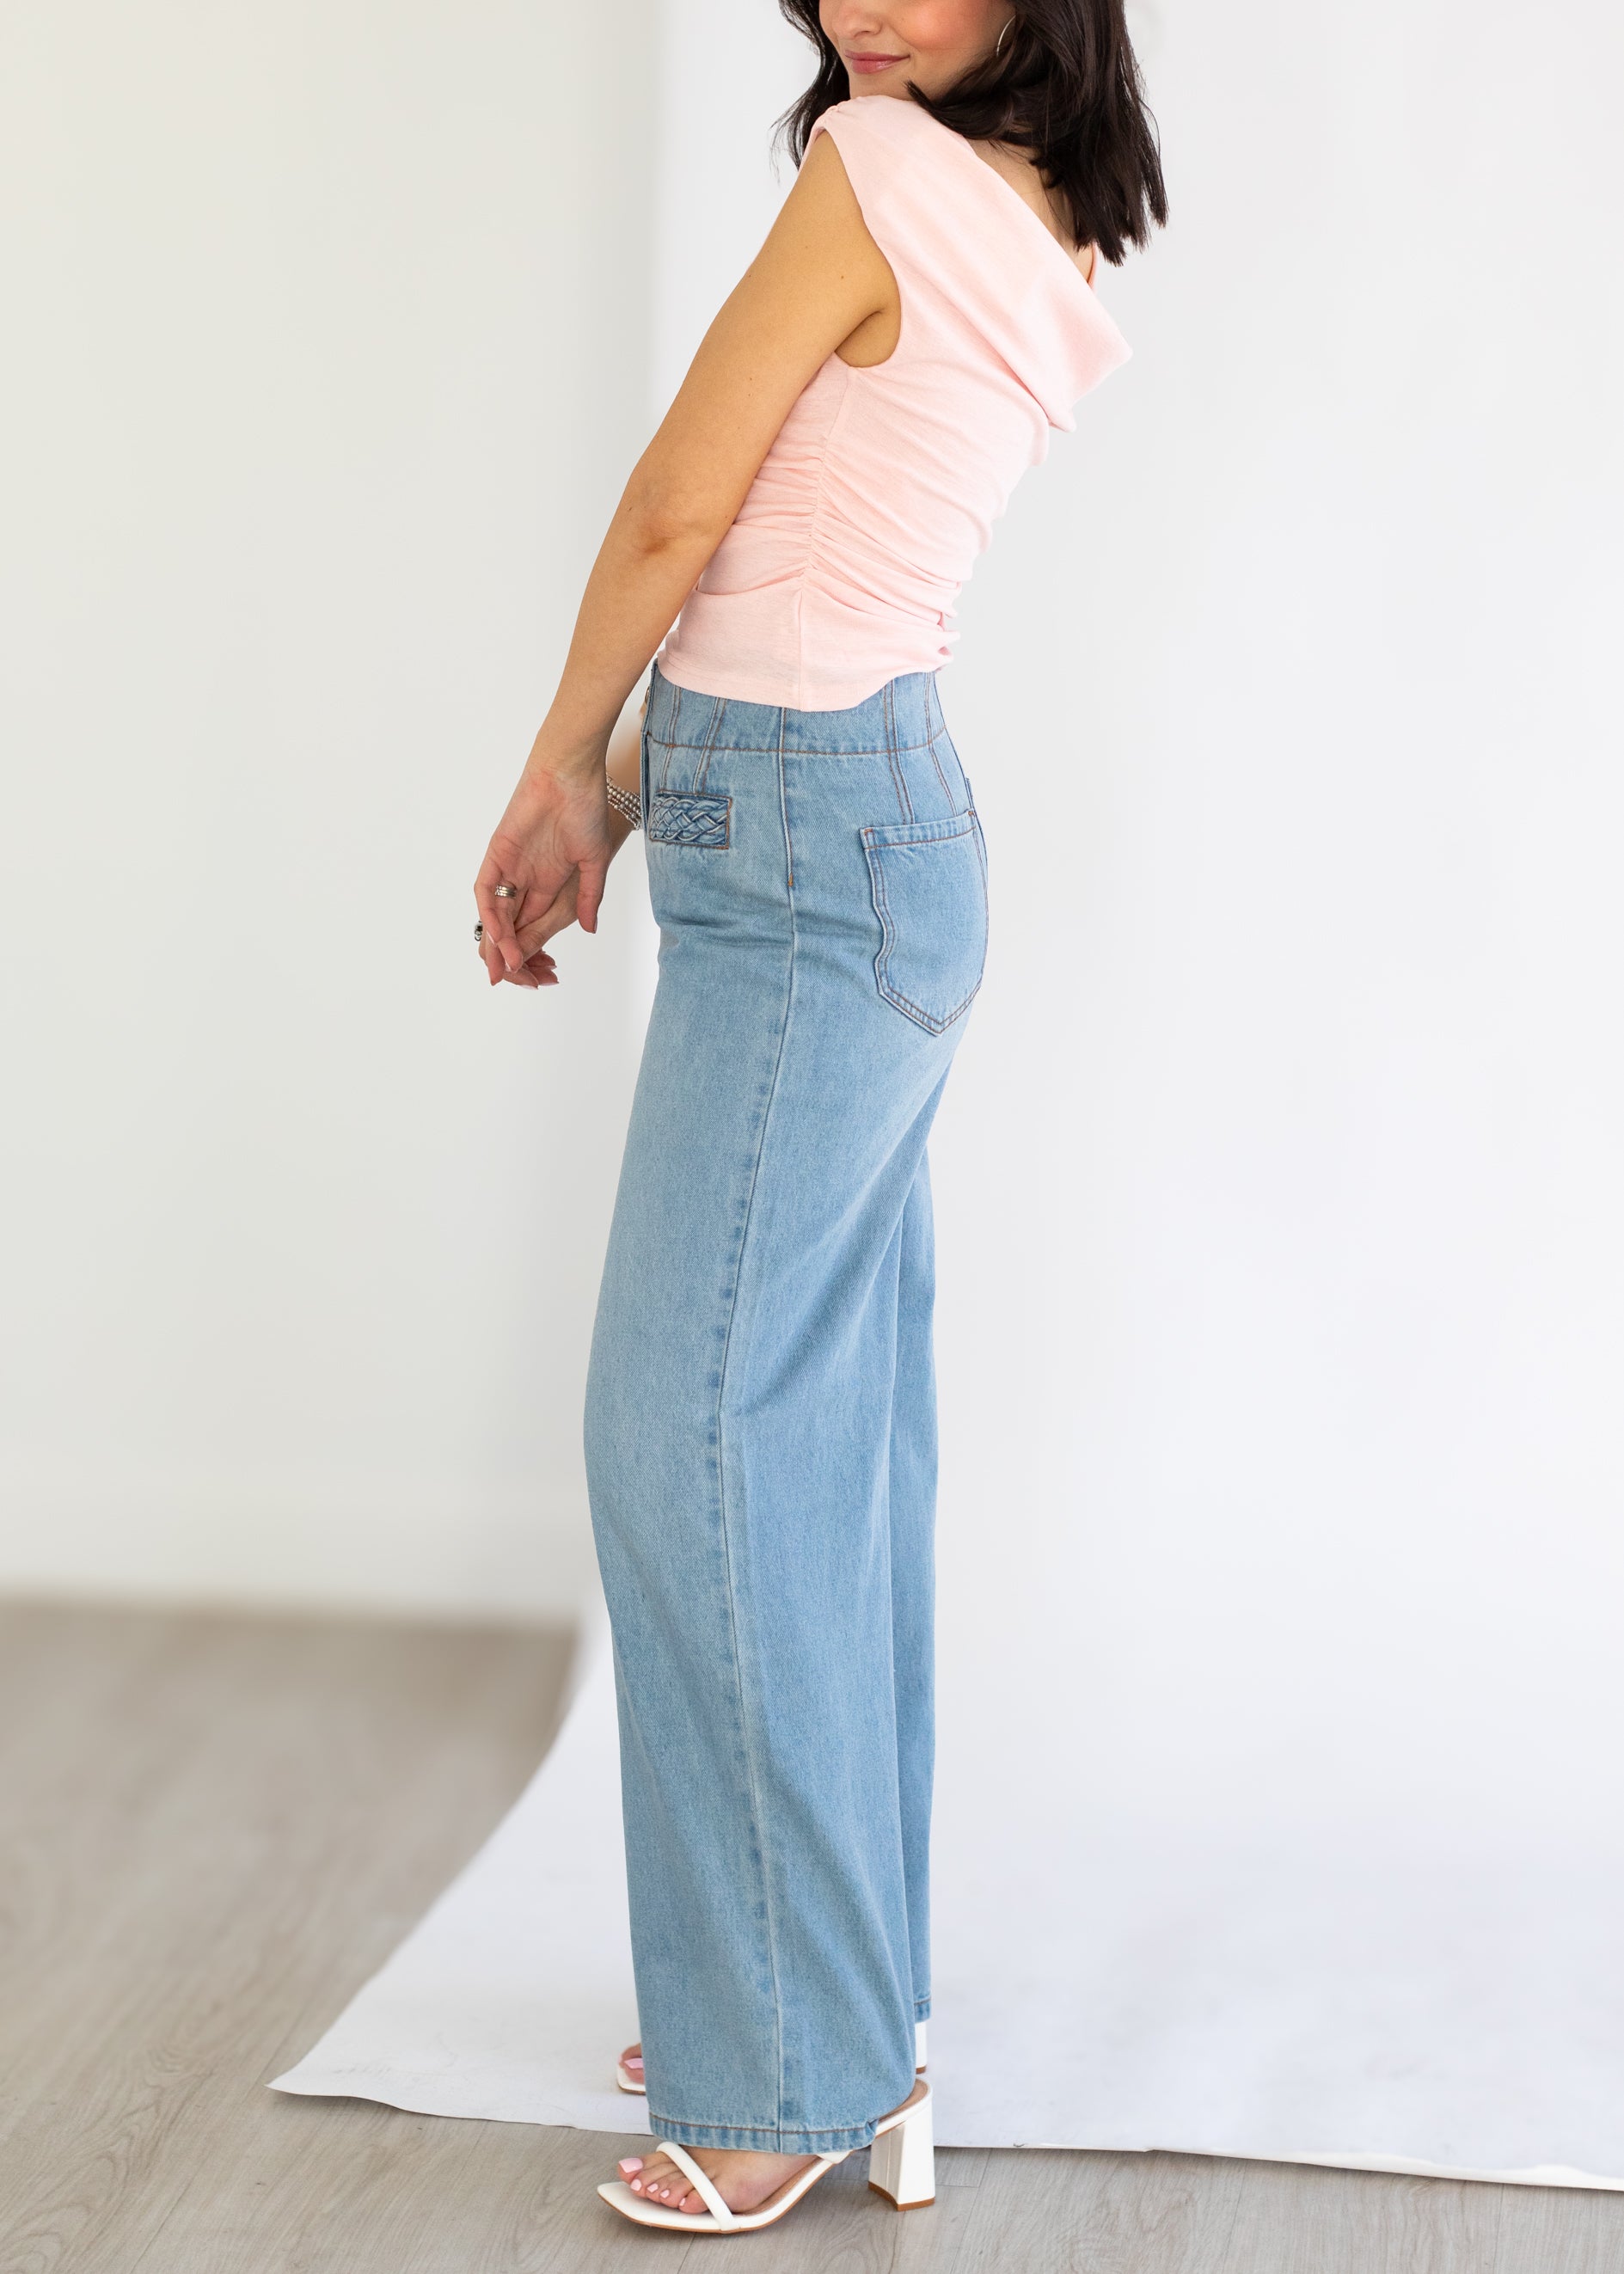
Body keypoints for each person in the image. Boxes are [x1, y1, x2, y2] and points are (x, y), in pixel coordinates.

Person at [472, 0, 1165, 2236]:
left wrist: (556, 764)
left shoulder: (877, 174)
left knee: (690, 1427)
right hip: (858, 828)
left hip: (808, 855)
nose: (861, 10)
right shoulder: (1033, 210)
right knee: (820, 1443)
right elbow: (803, 564)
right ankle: (824, 1999)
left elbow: (685, 504)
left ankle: (787, 2060)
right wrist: (630, 791)